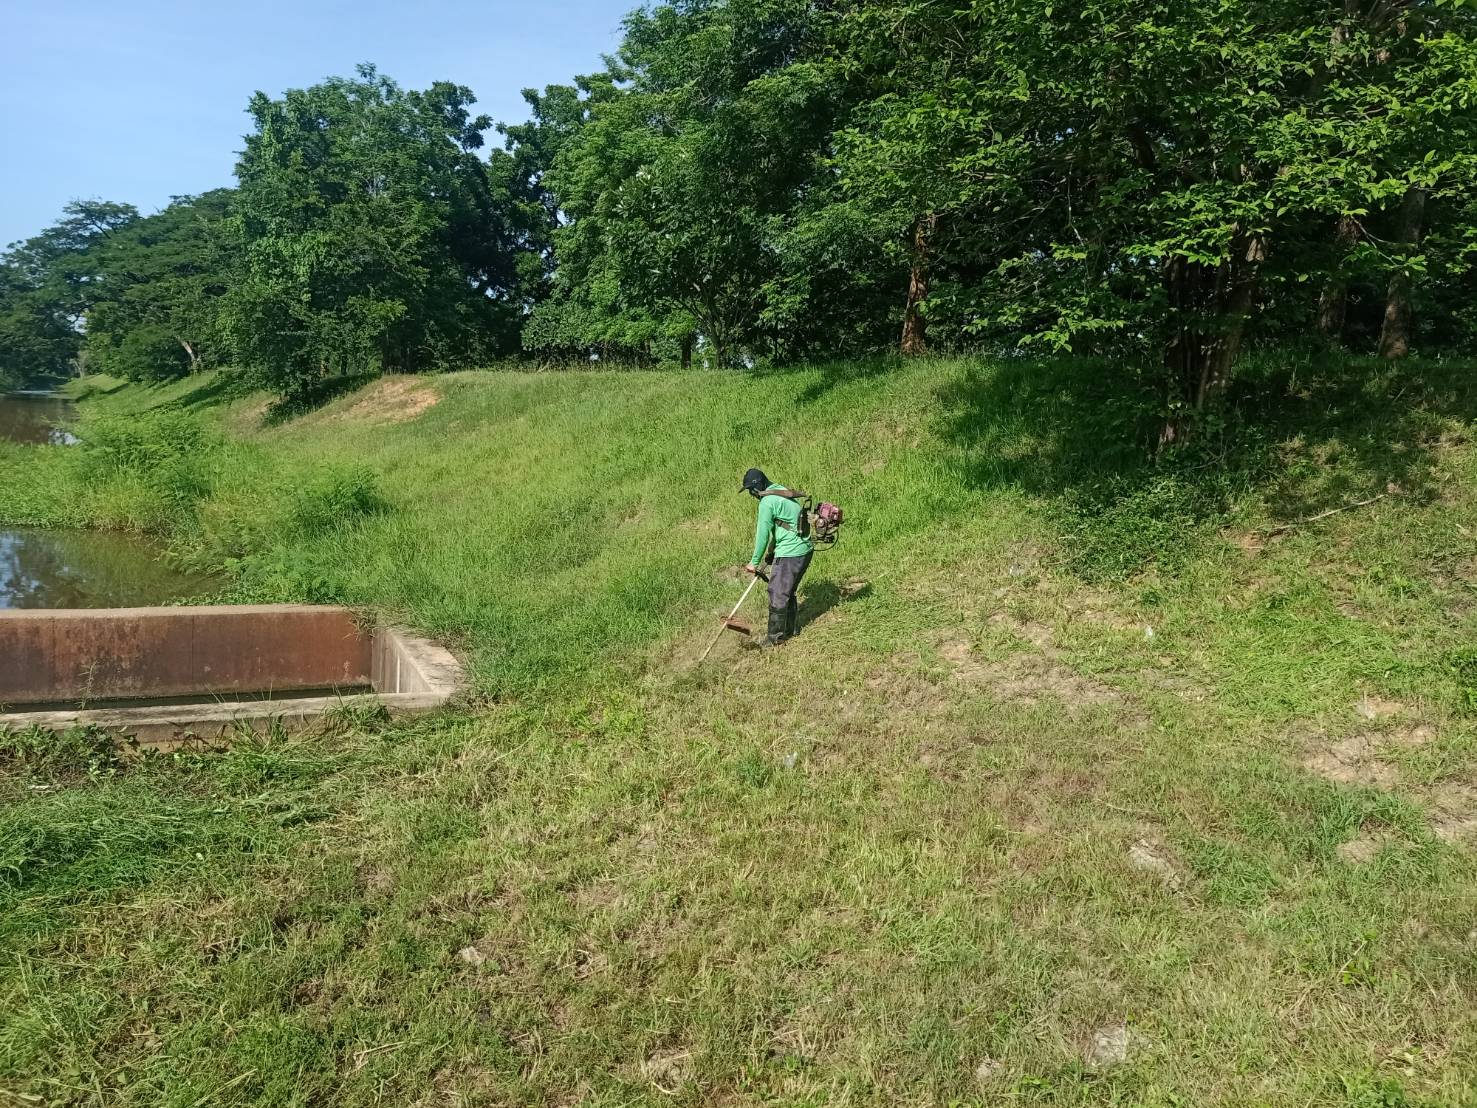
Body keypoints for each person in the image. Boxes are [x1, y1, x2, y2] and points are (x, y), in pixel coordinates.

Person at [741, 467, 814, 647]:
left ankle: (775, 639)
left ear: (756, 488)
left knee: (777, 593)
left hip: (791, 551)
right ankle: (791, 630)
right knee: (786, 590)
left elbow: (763, 534)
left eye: (751, 490)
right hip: (805, 548)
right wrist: (772, 551)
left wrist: (754, 562)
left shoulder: (767, 502)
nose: (751, 494)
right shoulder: (780, 491)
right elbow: (784, 526)